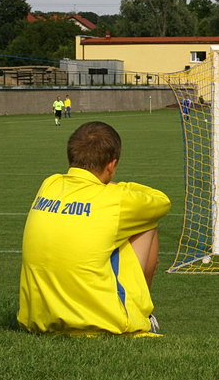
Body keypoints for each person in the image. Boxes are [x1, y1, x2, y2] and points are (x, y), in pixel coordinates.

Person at [17, 121, 171, 337]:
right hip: (99, 325)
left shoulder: (49, 184)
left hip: (37, 320)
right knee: (146, 222)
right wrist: (121, 186)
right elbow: (161, 201)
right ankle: (142, 315)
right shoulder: (116, 198)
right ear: (111, 165)